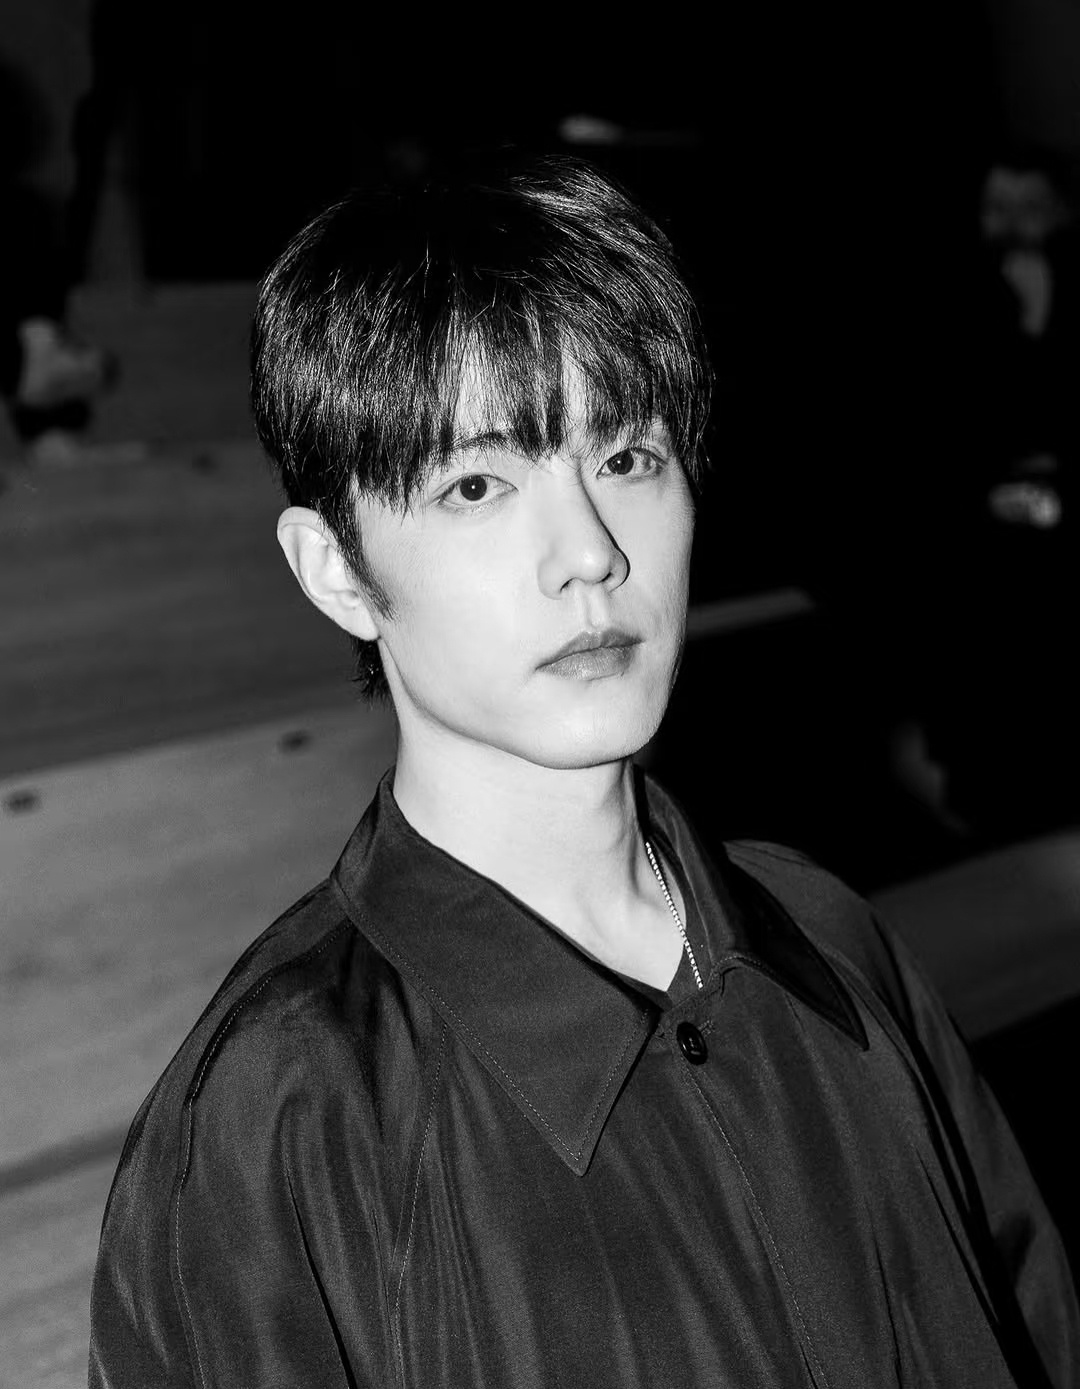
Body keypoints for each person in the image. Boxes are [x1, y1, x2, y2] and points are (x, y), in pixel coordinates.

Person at [89, 154, 1079, 1387]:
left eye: (625, 460)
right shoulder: (277, 1116)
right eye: (477, 484)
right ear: (336, 570)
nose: (591, 554)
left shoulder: (830, 943)